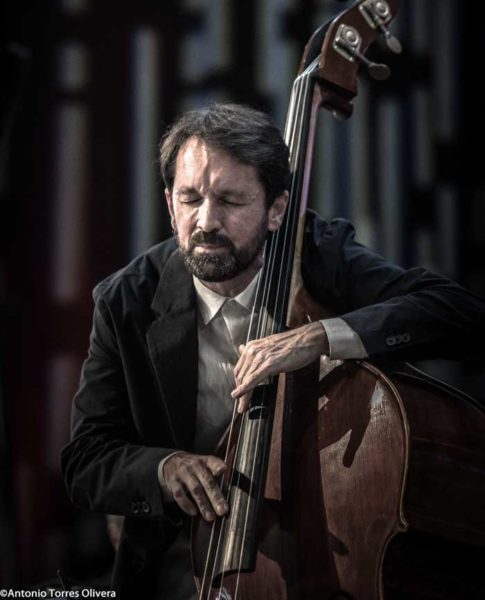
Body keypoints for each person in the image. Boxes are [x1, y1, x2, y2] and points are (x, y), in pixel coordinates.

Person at [61, 103, 485, 599]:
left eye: (230, 200)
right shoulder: (126, 301)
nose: (206, 221)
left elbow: (461, 314)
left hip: (324, 547)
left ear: (277, 209)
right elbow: (86, 459)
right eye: (190, 198)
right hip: (183, 560)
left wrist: (321, 335)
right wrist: (166, 467)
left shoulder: (319, 255)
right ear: (169, 204)